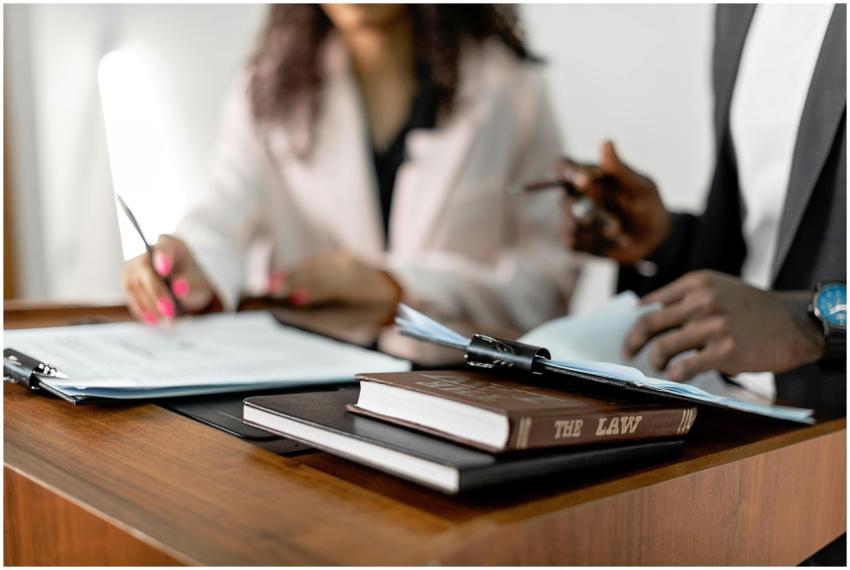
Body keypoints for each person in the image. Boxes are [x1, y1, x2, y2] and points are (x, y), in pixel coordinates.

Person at [561, 6, 845, 563]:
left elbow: (786, 307)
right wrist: (665, 242)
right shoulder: (737, 11)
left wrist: (819, 321)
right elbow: (762, 253)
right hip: (742, 453)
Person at [122, 4, 578, 330]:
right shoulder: (266, 87)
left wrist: (402, 289)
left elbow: (548, 283)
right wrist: (195, 265)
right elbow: (225, 209)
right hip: (305, 383)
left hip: (458, 387)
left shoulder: (513, 91)